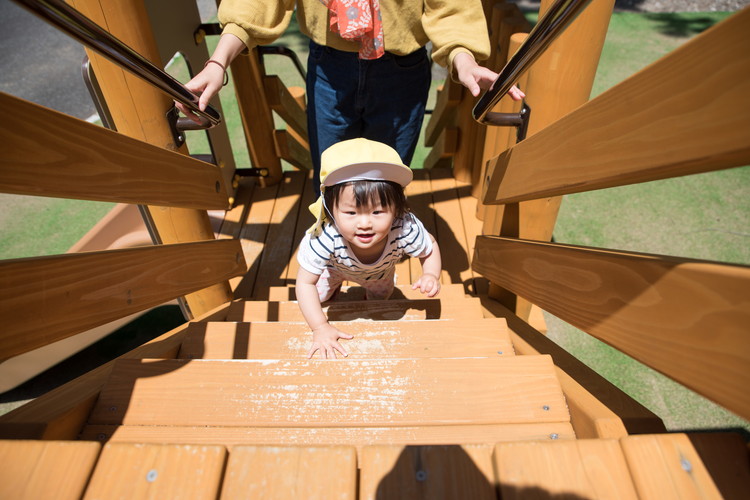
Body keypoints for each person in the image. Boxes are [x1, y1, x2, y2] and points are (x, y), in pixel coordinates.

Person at [176, 0, 525, 193]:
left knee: (386, 174)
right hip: (331, 67)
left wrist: (463, 58)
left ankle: (379, 264)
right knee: (331, 173)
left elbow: (451, 8)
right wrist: (217, 62)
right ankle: (331, 257)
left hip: (400, 71)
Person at [296, 138, 441, 359]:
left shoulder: (404, 226)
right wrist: (320, 327)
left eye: (377, 212)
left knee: (378, 303)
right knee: (320, 297)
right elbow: (305, 282)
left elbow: (429, 246)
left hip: (380, 274)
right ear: (330, 209)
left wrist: (431, 273)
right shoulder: (325, 235)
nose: (364, 223)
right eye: (351, 213)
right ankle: (333, 290)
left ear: (397, 208)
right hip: (333, 269)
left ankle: (368, 296)